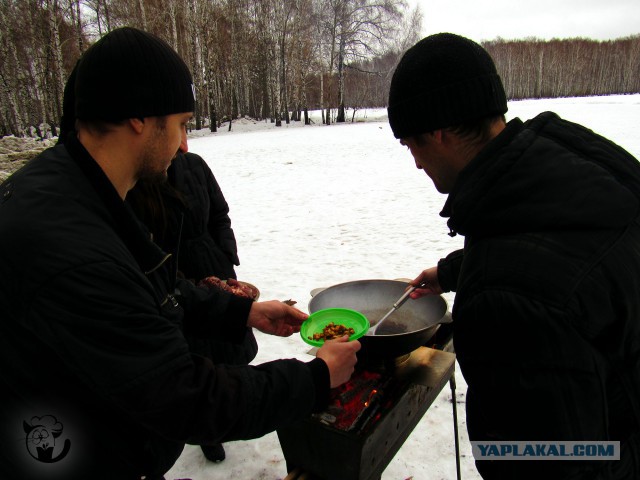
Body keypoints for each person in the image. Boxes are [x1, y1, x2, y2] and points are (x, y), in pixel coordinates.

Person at [0, 26, 360, 480]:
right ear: (139, 119)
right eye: (181, 124)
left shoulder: (79, 192)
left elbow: (144, 288)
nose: (183, 143)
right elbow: (182, 396)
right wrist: (314, 379)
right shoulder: (69, 243)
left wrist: (239, 312)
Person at [387, 33, 640, 479]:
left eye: (411, 146)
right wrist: (453, 271)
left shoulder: (504, 299)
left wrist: (486, 277)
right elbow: (568, 249)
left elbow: (546, 464)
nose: (415, 164)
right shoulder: (574, 161)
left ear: (438, 132)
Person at [128, 151, 258, 462]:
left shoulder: (196, 165)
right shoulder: (136, 179)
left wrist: (226, 257)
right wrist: (185, 280)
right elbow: (141, 250)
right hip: (174, 276)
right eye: (179, 125)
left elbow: (219, 214)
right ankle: (207, 432)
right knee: (198, 357)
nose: (183, 141)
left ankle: (237, 407)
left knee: (232, 346)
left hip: (215, 264)